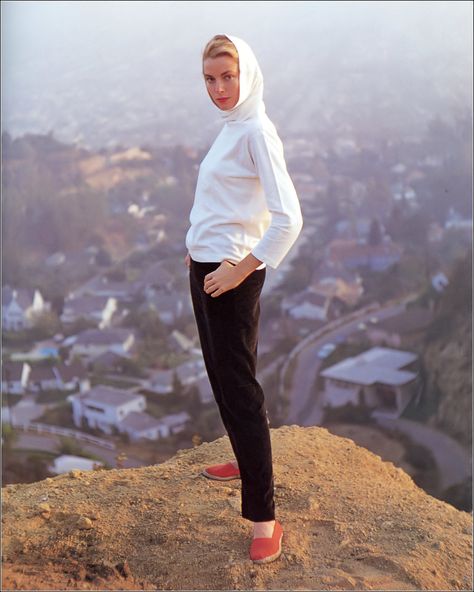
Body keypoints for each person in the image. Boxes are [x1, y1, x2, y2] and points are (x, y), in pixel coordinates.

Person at [184, 33, 303, 564]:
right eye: (210, 79)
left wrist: (239, 270)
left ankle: (265, 519)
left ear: (247, 73)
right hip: (209, 267)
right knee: (221, 376)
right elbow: (225, 202)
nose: (219, 88)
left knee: (240, 387)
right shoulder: (231, 127)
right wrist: (197, 248)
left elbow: (289, 220)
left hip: (232, 277)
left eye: (228, 76)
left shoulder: (256, 130)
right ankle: (243, 455)